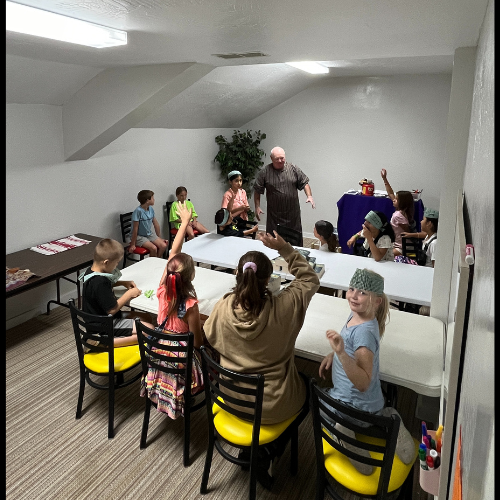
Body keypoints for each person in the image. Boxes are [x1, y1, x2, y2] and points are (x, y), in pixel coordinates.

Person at [203, 230, 320, 485]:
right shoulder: (285, 307)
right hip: (270, 405)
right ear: (268, 280)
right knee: (309, 390)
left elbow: (209, 335)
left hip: (230, 397)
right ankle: (268, 450)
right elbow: (310, 279)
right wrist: (285, 249)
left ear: (238, 274)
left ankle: (252, 448)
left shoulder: (223, 307)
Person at [318, 268, 415, 475]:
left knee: (316, 403)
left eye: (362, 292)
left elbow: (362, 383)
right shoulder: (359, 315)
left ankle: (346, 436)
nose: (353, 295)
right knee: (371, 412)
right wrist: (333, 354)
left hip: (351, 408)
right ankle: (389, 419)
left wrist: (341, 353)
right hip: (371, 405)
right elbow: (349, 345)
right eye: (351, 289)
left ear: (377, 301)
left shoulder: (364, 333)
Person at [140, 201, 208, 419]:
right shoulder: (191, 305)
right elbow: (197, 343)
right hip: (181, 363)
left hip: (158, 354)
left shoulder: (162, 291)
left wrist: (184, 223)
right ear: (191, 276)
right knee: (212, 348)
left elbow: (172, 254)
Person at [79, 238, 155, 349]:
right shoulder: (100, 282)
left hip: (96, 322)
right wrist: (129, 294)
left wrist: (122, 283)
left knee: (146, 317)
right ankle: (103, 342)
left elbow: (99, 290)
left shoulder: (91, 272)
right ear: (106, 262)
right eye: (116, 263)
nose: (116, 266)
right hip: (104, 325)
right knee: (149, 331)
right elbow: (112, 310)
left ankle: (102, 338)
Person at [253, 146, 315, 247]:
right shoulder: (265, 172)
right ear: (271, 158)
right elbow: (257, 190)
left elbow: (305, 183)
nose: (280, 161)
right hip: (274, 215)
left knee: (294, 241)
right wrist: (257, 206)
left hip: (292, 214)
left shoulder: (293, 168)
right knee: (273, 242)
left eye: (282, 158)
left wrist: (309, 196)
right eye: (277, 159)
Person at [380, 169, 415, 256]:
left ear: (402, 202)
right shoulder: (402, 211)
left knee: (383, 255)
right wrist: (384, 179)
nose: (393, 200)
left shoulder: (398, 216)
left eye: (396, 199)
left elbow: (407, 233)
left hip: (403, 247)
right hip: (398, 245)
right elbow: (391, 193)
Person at [128, 190, 168, 258]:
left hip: (149, 234)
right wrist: (133, 244)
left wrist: (159, 238)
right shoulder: (138, 211)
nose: (154, 200)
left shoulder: (151, 209)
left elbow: (156, 224)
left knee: (163, 245)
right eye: (152, 198)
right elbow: (135, 229)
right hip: (139, 236)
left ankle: (156, 260)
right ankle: (151, 263)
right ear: (147, 200)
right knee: (153, 248)